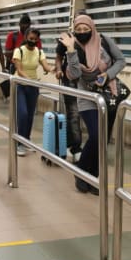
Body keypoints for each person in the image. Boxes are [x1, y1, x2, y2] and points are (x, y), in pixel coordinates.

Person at [61, 15, 126, 193]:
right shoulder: (74, 46)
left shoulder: (104, 40)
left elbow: (121, 60)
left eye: (85, 29)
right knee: (96, 135)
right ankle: (81, 171)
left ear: (92, 27)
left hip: (109, 95)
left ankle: (94, 177)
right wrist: (71, 50)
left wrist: (108, 75)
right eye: (78, 30)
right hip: (87, 98)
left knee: (103, 139)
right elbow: (73, 75)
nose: (82, 33)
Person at [13, 28, 53, 156]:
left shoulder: (39, 52)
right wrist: (28, 79)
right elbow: (19, 70)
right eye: (31, 39)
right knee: (23, 114)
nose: (33, 41)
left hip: (33, 86)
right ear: (25, 38)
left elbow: (46, 67)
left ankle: (26, 141)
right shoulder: (19, 51)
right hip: (20, 84)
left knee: (30, 115)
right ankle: (19, 143)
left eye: (35, 39)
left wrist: (55, 69)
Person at [55, 14, 85, 162]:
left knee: (83, 114)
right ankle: (76, 147)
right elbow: (59, 56)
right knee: (74, 113)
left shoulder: (95, 39)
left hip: (88, 81)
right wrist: (59, 69)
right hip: (70, 80)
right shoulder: (67, 37)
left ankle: (70, 142)